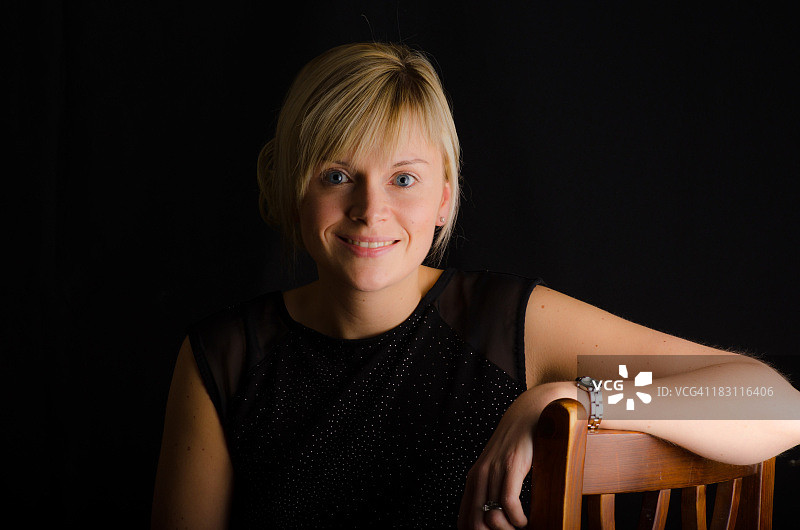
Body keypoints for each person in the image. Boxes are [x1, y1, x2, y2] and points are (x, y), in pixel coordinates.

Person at [152, 42, 800, 529]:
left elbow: (773, 403)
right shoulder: (225, 356)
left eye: (404, 179)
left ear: (444, 196)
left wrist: (581, 396)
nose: (370, 210)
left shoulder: (503, 324)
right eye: (337, 175)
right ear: (294, 187)